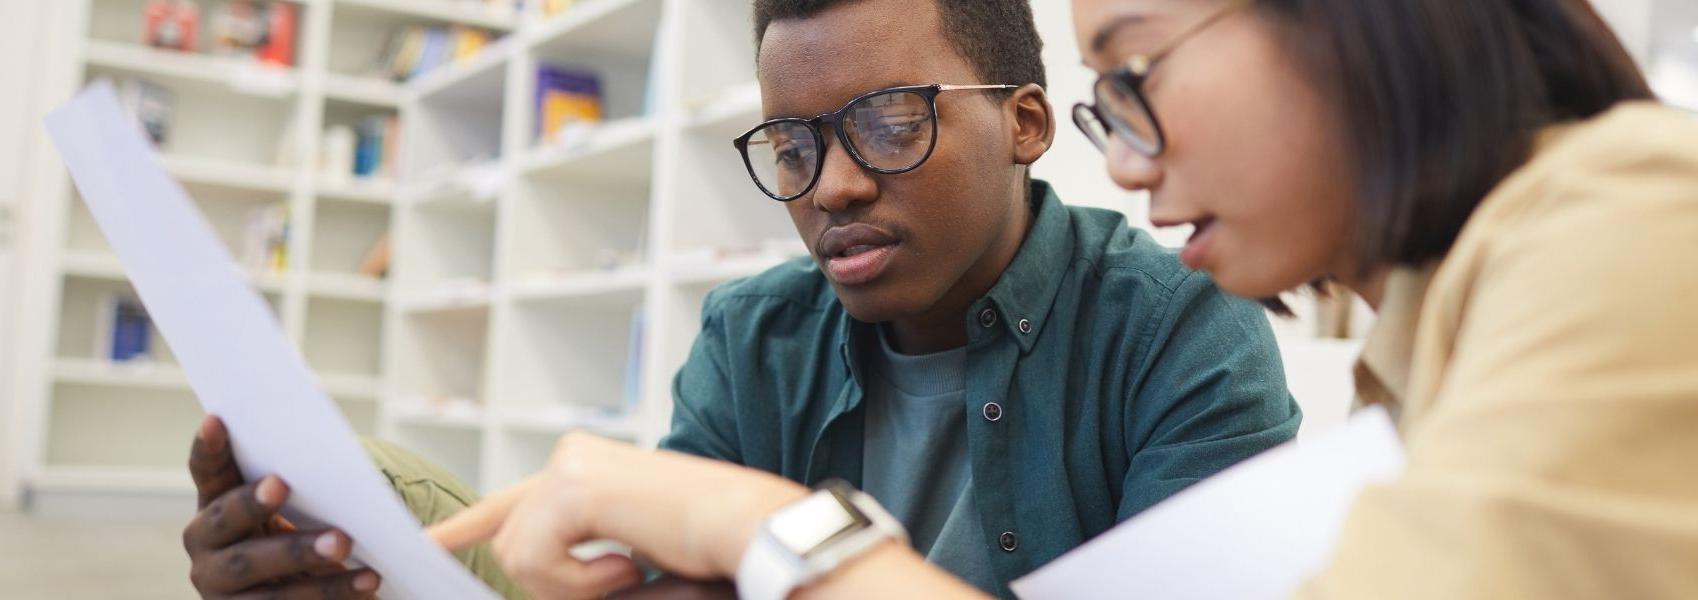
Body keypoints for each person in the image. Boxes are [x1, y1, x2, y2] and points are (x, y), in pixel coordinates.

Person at [435, 0, 1698, 598]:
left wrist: (757, 529)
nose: (1132, 154)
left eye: (1133, 70)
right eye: (794, 145)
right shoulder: (1423, 350)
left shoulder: (1632, 218)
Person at [180, 0, 1303, 597]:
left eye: (892, 120)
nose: (837, 183)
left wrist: (766, 540)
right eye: (793, 143)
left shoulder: (1180, 328)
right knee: (354, 487)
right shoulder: (753, 332)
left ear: (1025, 123)